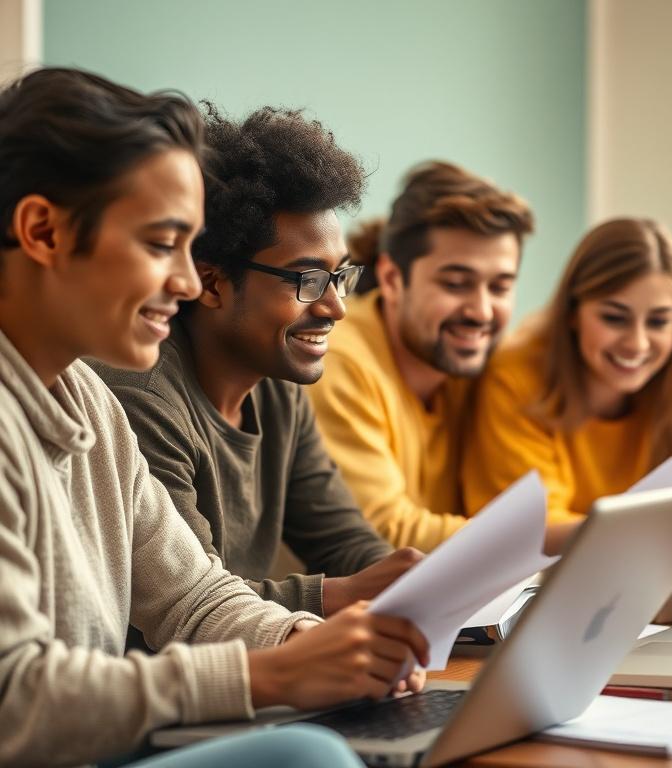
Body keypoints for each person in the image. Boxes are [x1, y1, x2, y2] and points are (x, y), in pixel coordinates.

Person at [0, 67, 425, 768]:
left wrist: (304, 645)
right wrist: (271, 675)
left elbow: (195, 599)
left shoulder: (90, 405)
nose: (191, 283)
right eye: (162, 244)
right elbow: (16, 702)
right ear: (43, 231)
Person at [90, 104, 419, 624]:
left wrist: (414, 584)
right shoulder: (141, 398)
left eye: (340, 277)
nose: (335, 307)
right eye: (308, 280)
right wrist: (343, 594)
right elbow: (185, 600)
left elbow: (342, 540)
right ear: (213, 282)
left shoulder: (277, 386)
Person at [308, 161, 535, 551]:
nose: (481, 311)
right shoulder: (336, 361)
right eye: (456, 284)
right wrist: (549, 540)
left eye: (499, 287)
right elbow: (383, 535)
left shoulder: (477, 364)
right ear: (394, 279)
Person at [462, 217, 672, 523]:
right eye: (614, 318)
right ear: (572, 311)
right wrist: (646, 532)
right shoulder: (515, 377)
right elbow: (528, 529)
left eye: (658, 322)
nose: (637, 344)